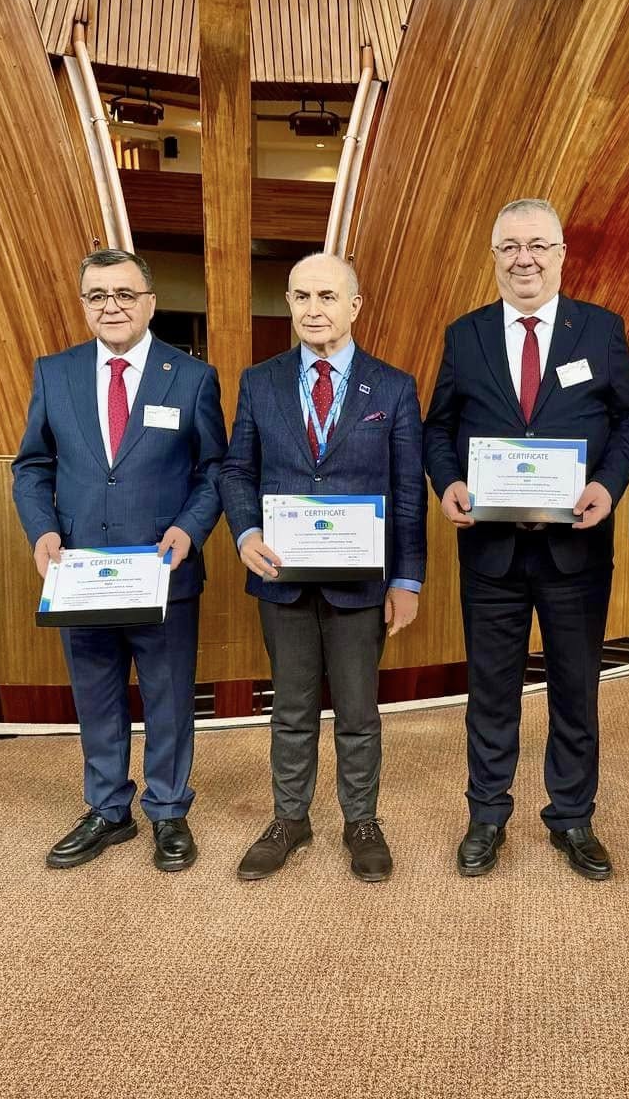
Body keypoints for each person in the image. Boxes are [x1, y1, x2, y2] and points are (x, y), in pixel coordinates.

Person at [423, 198, 629, 881]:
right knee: (491, 689)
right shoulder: (465, 336)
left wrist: (608, 486)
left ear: (561, 256)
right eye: (510, 246)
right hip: (490, 551)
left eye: (538, 245)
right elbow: (438, 428)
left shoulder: (602, 331)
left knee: (575, 686)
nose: (524, 258)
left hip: (575, 549)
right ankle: (487, 816)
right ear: (494, 257)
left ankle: (572, 817)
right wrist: (448, 484)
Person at [12, 248, 226, 872]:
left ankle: (168, 810)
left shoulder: (191, 377)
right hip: (78, 574)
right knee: (97, 696)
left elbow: (214, 469)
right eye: (97, 295)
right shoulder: (55, 372)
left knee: (167, 697)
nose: (111, 306)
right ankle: (108, 810)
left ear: (150, 301)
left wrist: (190, 529)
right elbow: (33, 467)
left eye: (124, 294)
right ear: (84, 305)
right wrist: (43, 531)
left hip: (164, 570)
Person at [219, 253, 426, 883]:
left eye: (328, 297)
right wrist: (245, 532)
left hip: (361, 582)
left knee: (359, 710)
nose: (315, 309)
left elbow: (408, 492)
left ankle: (360, 820)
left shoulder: (392, 387)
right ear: (288, 302)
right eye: (302, 296)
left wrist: (408, 579)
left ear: (355, 306)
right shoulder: (261, 381)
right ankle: (290, 819)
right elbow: (237, 470)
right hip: (281, 577)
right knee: (291, 706)